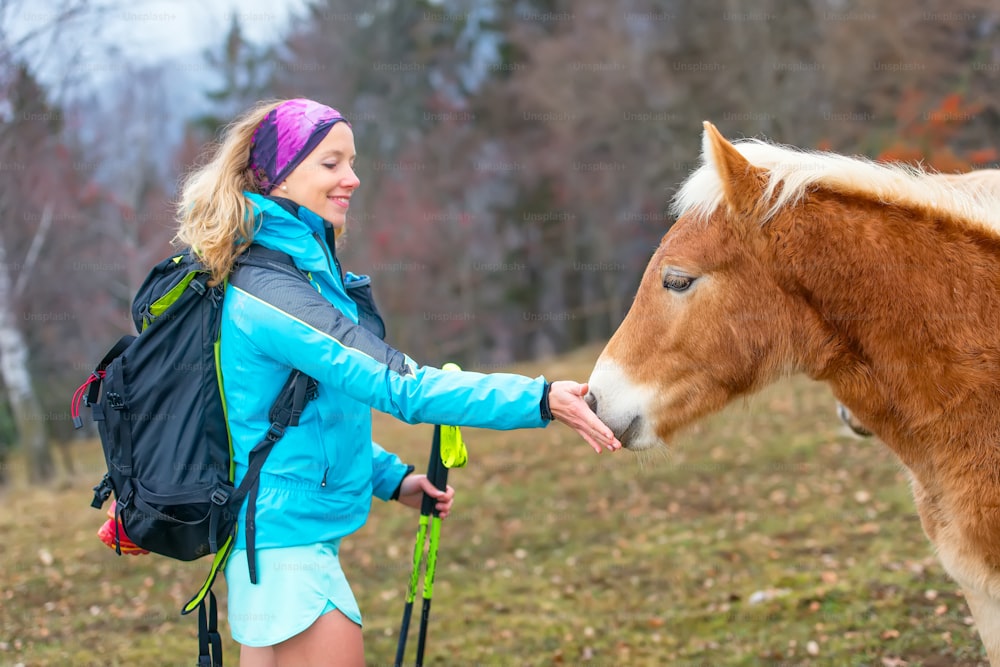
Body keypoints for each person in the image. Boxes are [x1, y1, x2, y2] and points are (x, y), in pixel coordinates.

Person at [173, 98, 622, 667]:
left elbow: (300, 419)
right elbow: (401, 386)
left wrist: (392, 479)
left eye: (352, 161)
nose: (352, 178)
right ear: (278, 175)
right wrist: (538, 398)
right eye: (330, 163)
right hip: (287, 560)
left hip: (273, 551)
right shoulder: (274, 294)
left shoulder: (293, 272)